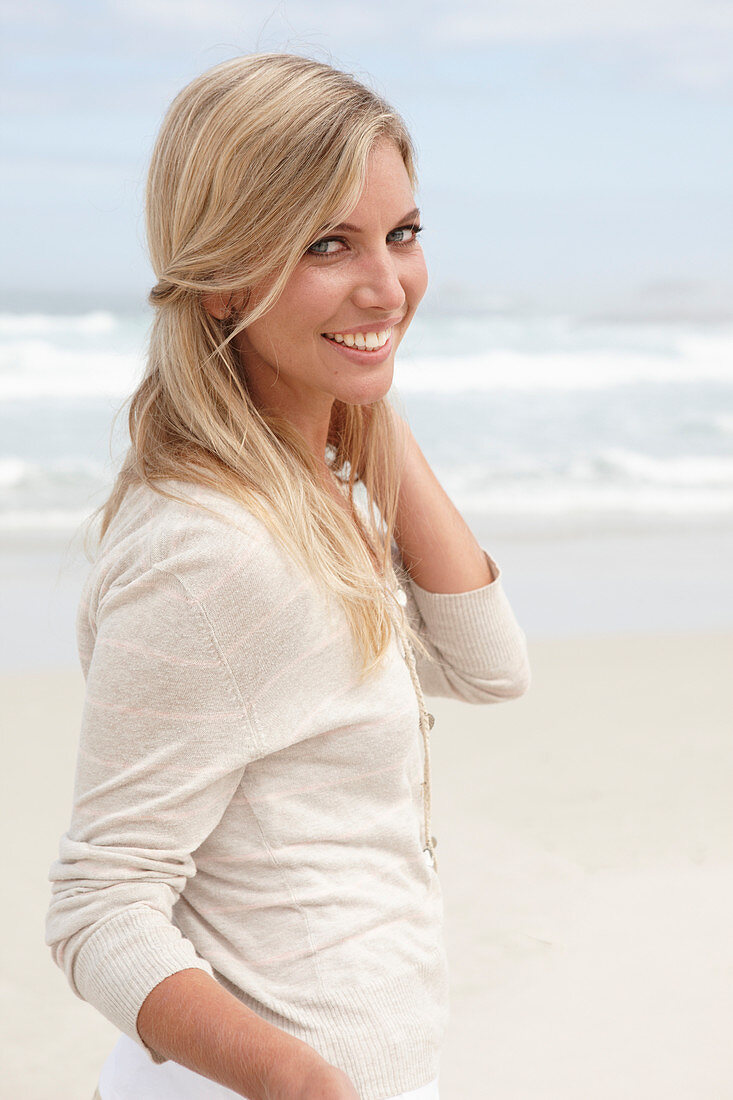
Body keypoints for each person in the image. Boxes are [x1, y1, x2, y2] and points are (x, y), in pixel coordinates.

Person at [46, 53, 530, 1100]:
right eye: (326, 245)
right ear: (222, 276)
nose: (386, 282)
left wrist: (356, 384)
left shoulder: (324, 479)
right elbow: (98, 901)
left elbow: (488, 663)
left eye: (400, 235)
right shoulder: (210, 548)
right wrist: (303, 1084)